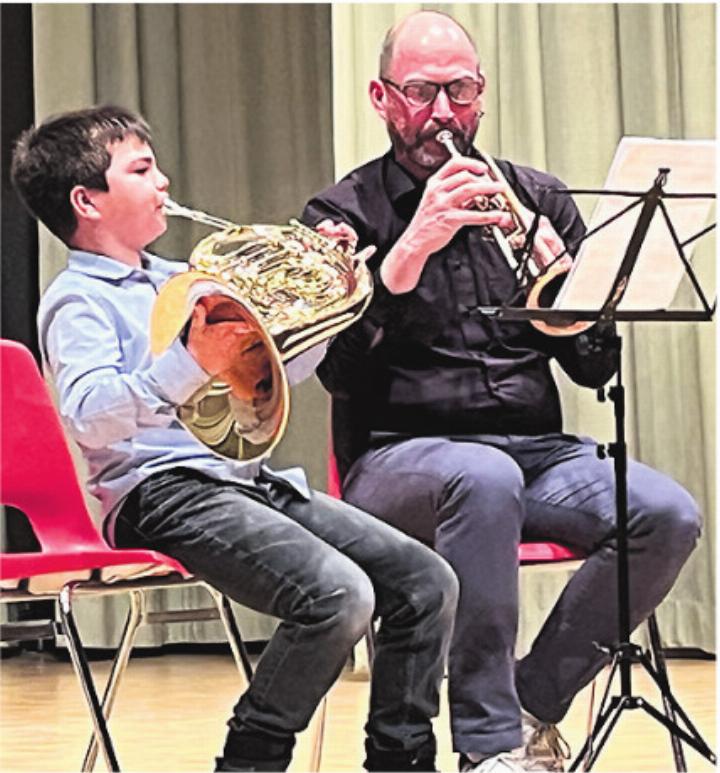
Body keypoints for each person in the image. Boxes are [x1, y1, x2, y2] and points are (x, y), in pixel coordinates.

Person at [302, 11, 702, 773]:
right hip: (397, 457)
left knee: (665, 512)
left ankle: (527, 705)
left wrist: (569, 303)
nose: (444, 114)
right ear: (381, 97)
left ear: (483, 94)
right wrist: (405, 254)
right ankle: (486, 748)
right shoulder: (342, 216)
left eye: (460, 91)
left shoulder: (539, 198)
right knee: (481, 480)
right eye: (422, 92)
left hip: (535, 450)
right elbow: (338, 374)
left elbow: (592, 370)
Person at [11, 105, 459, 773]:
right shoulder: (77, 300)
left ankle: (401, 759)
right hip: (159, 491)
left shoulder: (180, 281)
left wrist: (327, 303)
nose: (163, 181)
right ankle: (250, 758)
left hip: (244, 480)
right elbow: (89, 413)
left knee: (426, 580)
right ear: (87, 200)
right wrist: (189, 361)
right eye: (140, 169)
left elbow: (275, 373)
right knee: (338, 596)